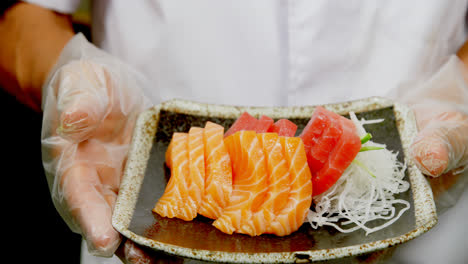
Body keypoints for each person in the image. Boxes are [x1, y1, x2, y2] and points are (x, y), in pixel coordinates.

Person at [1, 1, 467, 263]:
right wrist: (71, 77)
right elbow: (21, 24)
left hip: (424, 233)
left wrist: (458, 93)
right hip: (130, 181)